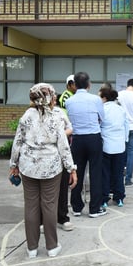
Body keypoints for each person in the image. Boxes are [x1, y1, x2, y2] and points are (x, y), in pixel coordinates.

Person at [9, 83, 78, 258]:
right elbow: (63, 146)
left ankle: (31, 248)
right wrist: (72, 168)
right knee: (49, 205)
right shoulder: (56, 117)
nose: (55, 98)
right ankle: (52, 247)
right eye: (53, 95)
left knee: (31, 205)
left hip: (28, 167)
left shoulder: (26, 116)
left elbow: (17, 142)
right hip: (51, 168)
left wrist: (13, 165)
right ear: (49, 98)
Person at [65, 72, 106, 218]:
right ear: (89, 84)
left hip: (77, 139)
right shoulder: (96, 99)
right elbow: (102, 118)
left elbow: (70, 119)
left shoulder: (69, 101)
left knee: (77, 171)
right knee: (95, 173)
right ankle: (95, 208)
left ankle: (76, 207)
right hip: (93, 137)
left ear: (74, 85)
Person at [99, 87, 129, 207]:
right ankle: (119, 197)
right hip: (120, 145)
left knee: (105, 173)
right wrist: (124, 140)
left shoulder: (102, 109)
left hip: (106, 144)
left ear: (105, 98)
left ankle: (104, 198)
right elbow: (126, 126)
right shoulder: (120, 109)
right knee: (118, 173)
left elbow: (99, 126)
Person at [55, 75, 77, 231]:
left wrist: (70, 167)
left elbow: (68, 127)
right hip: (41, 160)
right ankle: (44, 219)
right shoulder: (66, 98)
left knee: (62, 185)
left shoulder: (58, 111)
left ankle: (62, 217)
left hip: (62, 148)